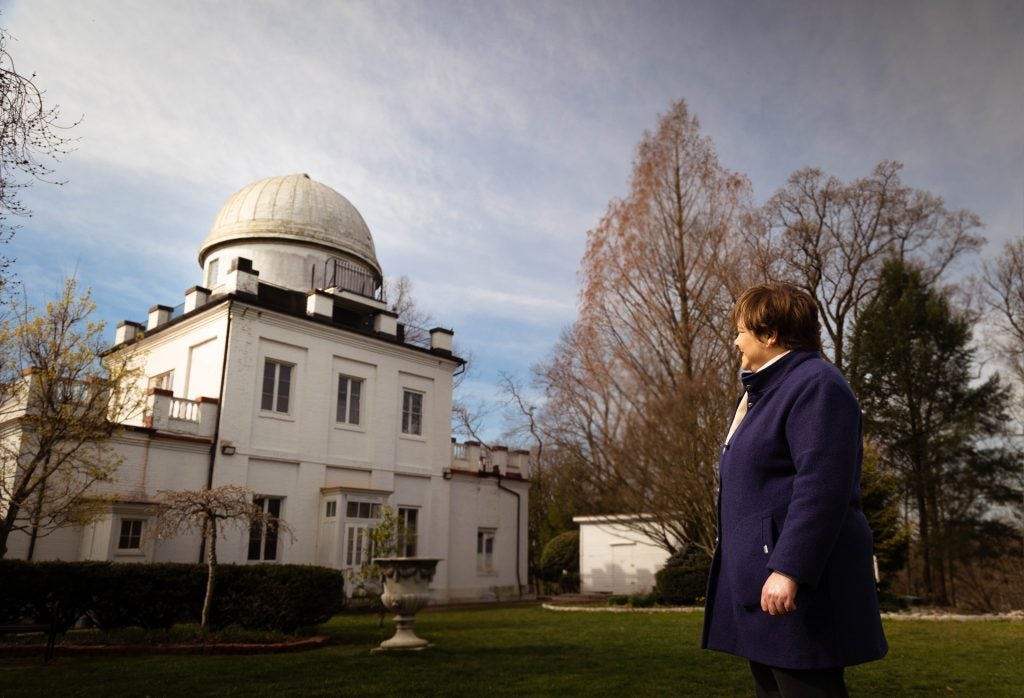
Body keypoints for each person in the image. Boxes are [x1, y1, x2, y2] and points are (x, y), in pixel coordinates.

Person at [702, 283, 887, 697]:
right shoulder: (764, 391)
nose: (735, 341)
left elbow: (822, 487)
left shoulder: (816, 385)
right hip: (761, 580)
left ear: (770, 335)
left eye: (741, 331)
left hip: (796, 586)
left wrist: (789, 569)